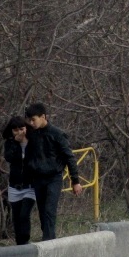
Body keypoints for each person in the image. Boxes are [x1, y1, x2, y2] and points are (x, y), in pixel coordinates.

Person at [24, 102, 82, 241]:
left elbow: (69, 157)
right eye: (29, 120)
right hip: (38, 178)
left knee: (50, 210)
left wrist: (75, 181)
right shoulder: (31, 133)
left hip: (53, 177)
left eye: (34, 120)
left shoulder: (57, 134)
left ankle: (48, 241)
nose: (31, 123)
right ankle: (49, 238)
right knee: (43, 211)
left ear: (43, 117)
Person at [2, 115, 35, 245]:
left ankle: (26, 240)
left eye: (21, 128)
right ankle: (19, 244)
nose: (19, 132)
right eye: (15, 130)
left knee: (24, 214)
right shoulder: (10, 143)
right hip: (15, 185)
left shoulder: (33, 140)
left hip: (30, 185)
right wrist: (16, 142)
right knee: (16, 217)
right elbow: (10, 158)